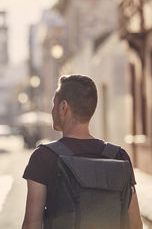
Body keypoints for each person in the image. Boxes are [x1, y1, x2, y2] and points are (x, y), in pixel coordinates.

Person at [21, 74, 143, 229]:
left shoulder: (44, 157)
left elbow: (32, 223)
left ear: (63, 107)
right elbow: (135, 224)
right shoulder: (119, 156)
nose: (52, 110)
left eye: (54, 104)